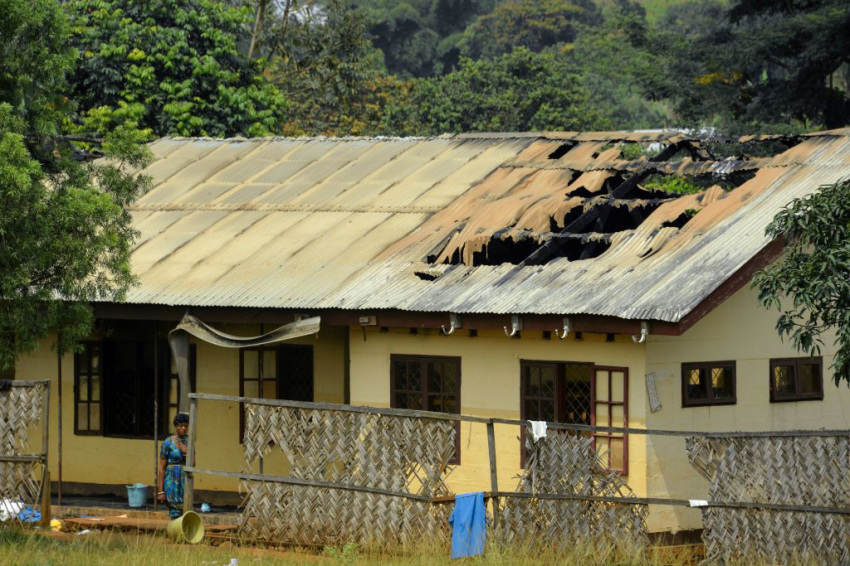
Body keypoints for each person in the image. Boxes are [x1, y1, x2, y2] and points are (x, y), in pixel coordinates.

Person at [158, 413, 189, 518]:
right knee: (173, 508)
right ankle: (174, 531)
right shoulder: (167, 443)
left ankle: (181, 532)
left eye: (185, 425)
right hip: (171, 478)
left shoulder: (189, 442)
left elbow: (193, 464)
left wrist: (185, 452)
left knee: (184, 507)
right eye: (180, 425)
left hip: (183, 478)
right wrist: (160, 491)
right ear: (176, 426)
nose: (183, 428)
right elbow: (162, 467)